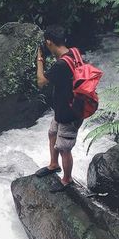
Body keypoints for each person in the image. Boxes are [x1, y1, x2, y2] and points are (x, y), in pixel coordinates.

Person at [34, 27, 82, 192]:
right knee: (52, 133)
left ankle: (67, 180)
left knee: (64, 148)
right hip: (65, 107)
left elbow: (41, 81)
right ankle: (54, 164)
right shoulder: (73, 53)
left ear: (49, 42)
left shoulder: (61, 65)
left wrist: (40, 60)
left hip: (70, 113)